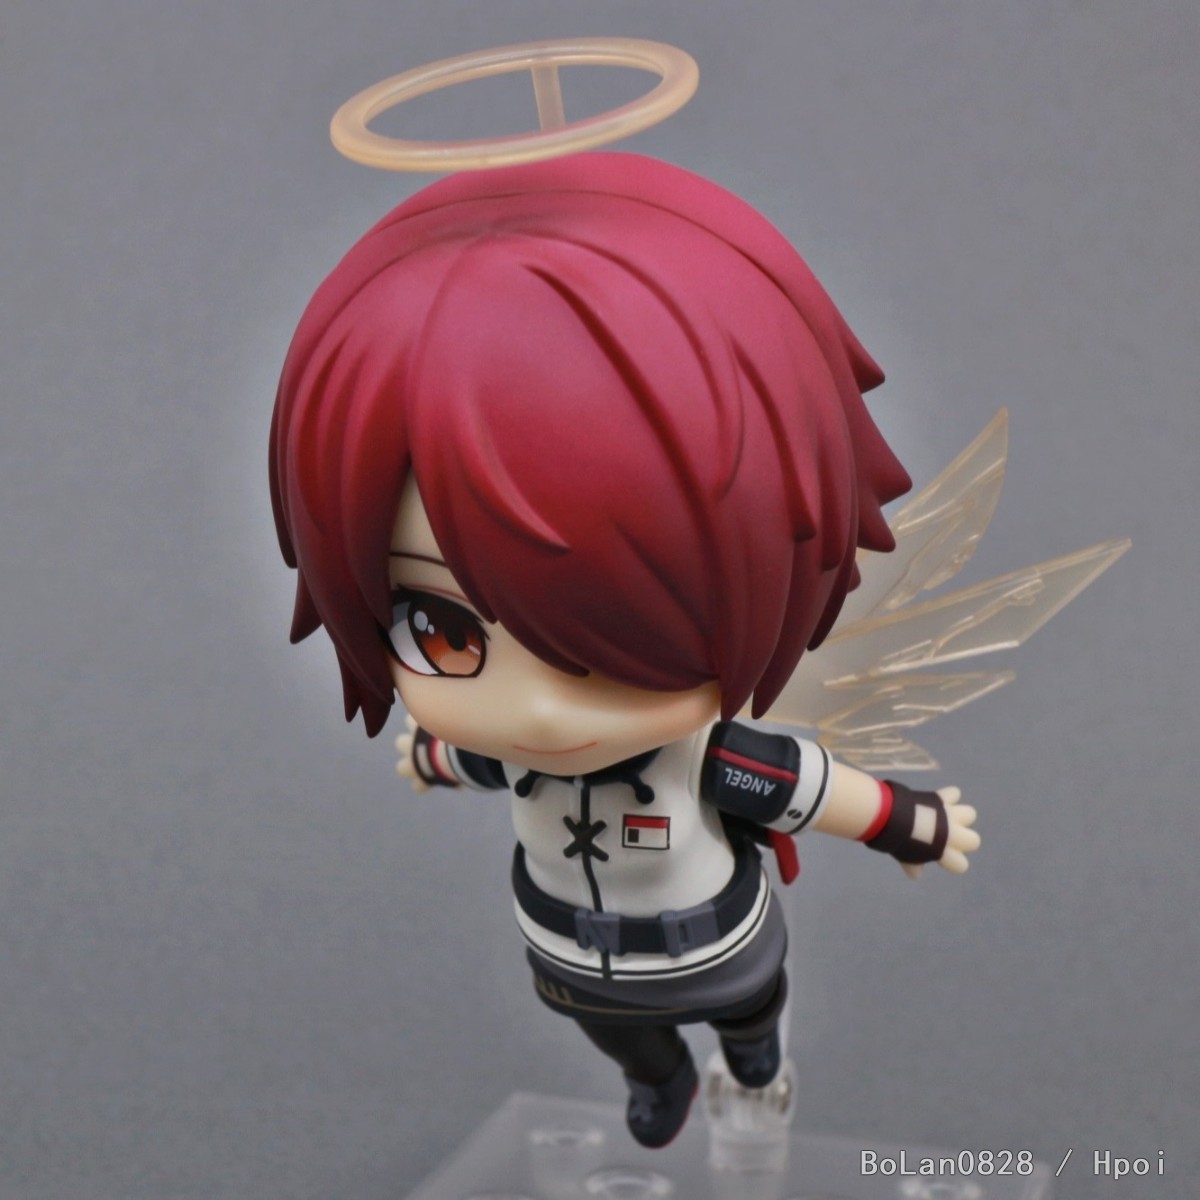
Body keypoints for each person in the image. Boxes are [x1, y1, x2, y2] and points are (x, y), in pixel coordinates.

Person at [269, 152, 979, 1147]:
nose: (539, 709)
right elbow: (475, 758)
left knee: (749, 1010)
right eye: (441, 629)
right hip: (567, 951)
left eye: (611, 634)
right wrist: (431, 754)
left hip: (714, 944)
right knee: (617, 1036)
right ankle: (659, 1078)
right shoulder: (513, 757)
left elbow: (810, 789)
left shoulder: (710, 761)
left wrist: (911, 823)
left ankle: (754, 1056)